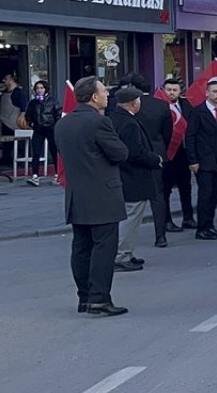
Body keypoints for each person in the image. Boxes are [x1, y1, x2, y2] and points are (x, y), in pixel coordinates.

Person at [56, 76, 130, 316]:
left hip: (77, 194)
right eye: (104, 92)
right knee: (103, 248)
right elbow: (119, 153)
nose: (108, 95)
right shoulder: (99, 122)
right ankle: (99, 298)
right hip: (102, 194)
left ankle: (85, 297)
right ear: (94, 97)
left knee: (81, 248)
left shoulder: (63, 124)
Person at [108, 88, 163, 272]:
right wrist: (155, 159)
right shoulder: (128, 123)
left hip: (122, 176)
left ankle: (127, 253)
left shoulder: (114, 118)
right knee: (131, 217)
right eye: (139, 100)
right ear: (133, 103)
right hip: (133, 176)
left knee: (127, 216)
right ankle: (122, 255)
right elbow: (135, 153)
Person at [184, 80, 217, 241]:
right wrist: (193, 160)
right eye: (215, 91)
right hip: (203, 161)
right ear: (207, 93)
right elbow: (190, 137)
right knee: (205, 194)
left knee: (214, 194)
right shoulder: (198, 112)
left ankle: (210, 225)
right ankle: (202, 228)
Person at [159, 80, 197, 232]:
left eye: (175, 90)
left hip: (183, 152)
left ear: (180, 91)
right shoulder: (160, 105)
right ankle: (167, 221)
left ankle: (188, 218)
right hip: (166, 154)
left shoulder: (187, 105)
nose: (171, 92)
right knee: (165, 190)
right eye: (169, 89)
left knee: (185, 187)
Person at [23, 80, 60, 184]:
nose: (39, 90)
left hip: (50, 129)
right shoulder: (33, 102)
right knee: (36, 151)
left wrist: (56, 125)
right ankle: (35, 175)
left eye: (42, 88)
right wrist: (32, 124)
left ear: (46, 89)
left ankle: (57, 175)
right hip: (38, 129)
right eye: (37, 88)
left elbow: (58, 113)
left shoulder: (52, 101)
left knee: (54, 151)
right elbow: (28, 115)